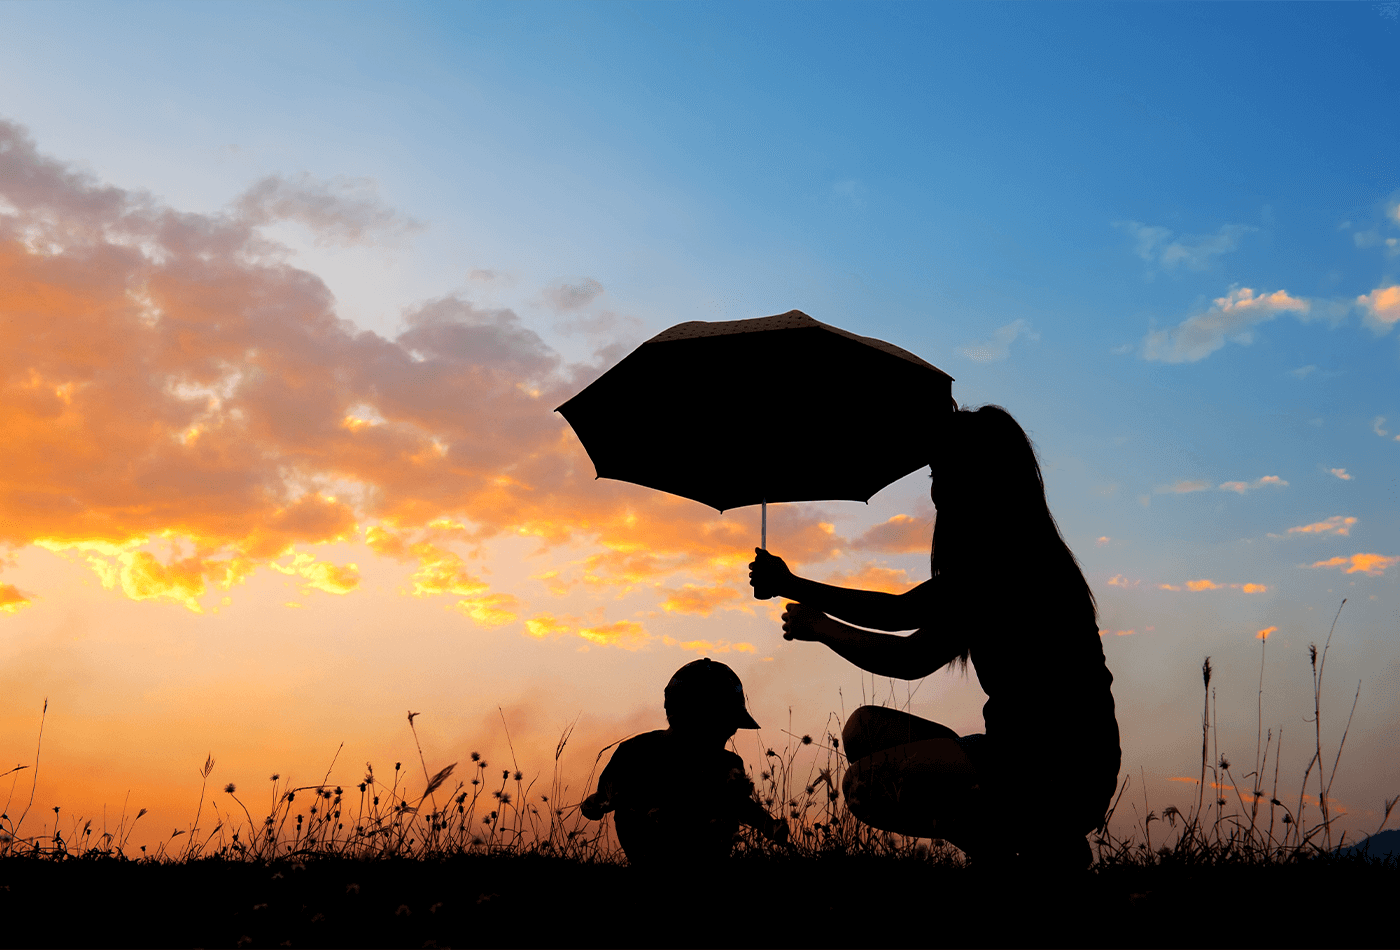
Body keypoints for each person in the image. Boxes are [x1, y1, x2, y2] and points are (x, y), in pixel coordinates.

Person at [748, 404, 1120, 868]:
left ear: (983, 477)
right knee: (864, 730)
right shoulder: (997, 558)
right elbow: (901, 609)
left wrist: (821, 628)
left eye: (947, 472)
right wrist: (791, 584)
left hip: (1056, 772)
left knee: (865, 787)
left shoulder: (1009, 566)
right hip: (1012, 755)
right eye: (934, 474)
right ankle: (1033, 844)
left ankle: (1022, 848)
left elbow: (911, 656)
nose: (937, 490)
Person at [581, 658, 788, 866]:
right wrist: (597, 804)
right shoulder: (635, 752)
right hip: (650, 856)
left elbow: (741, 804)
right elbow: (606, 796)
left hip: (708, 859)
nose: (724, 737)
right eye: (717, 728)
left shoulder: (728, 764)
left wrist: (768, 825)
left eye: (729, 729)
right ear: (683, 719)